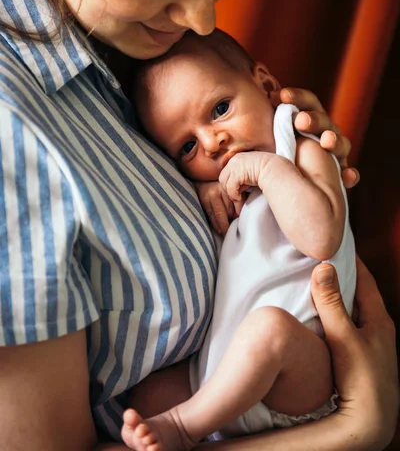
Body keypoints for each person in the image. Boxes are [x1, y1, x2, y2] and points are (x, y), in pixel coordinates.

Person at [0, 0, 397, 450]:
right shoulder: (12, 129)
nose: (203, 20)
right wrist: (352, 431)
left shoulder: (126, 39)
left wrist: (271, 150)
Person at [120, 29, 357, 450]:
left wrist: (265, 170)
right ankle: (185, 420)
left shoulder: (299, 149)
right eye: (188, 146)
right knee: (147, 398)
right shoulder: (227, 184)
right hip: (218, 376)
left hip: (299, 370)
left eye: (220, 108)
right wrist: (208, 191)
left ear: (265, 85)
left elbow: (321, 237)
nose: (213, 142)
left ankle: (185, 426)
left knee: (269, 331)